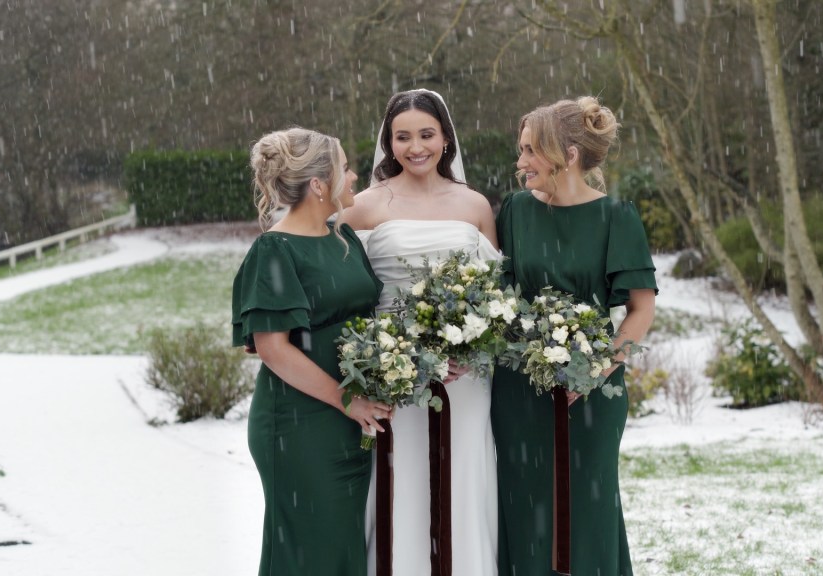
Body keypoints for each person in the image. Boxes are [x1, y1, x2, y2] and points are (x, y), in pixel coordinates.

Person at [491, 97, 658, 576]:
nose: (520, 162)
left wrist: (594, 370)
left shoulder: (616, 217)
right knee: (523, 502)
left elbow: (640, 309)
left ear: (567, 154)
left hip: (591, 392)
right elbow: (501, 295)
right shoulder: (516, 212)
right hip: (518, 389)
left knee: (590, 505)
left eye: (528, 151)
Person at [342, 89, 500, 576]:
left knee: (462, 476)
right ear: (388, 143)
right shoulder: (365, 205)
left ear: (446, 139)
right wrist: (382, 353)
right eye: (403, 136)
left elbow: (497, 296)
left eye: (426, 134)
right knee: (401, 481)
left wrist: (472, 349)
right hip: (395, 374)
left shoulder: (475, 205)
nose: (416, 147)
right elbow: (340, 287)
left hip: (465, 376)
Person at [231, 127, 393, 576]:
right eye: (346, 168)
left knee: (341, 550)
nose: (356, 176)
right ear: (320, 184)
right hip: (298, 425)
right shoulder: (274, 249)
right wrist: (348, 399)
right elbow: (273, 350)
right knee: (308, 554)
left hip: (349, 424)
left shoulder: (342, 239)